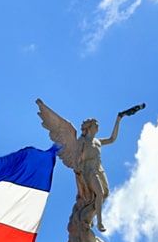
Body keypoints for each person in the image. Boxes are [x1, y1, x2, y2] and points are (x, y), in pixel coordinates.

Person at [37, 100, 144, 233]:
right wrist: (77, 166)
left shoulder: (97, 142)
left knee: (105, 194)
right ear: (90, 127)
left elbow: (112, 139)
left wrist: (118, 120)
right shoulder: (82, 140)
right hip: (88, 170)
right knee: (99, 193)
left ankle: (90, 217)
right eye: (96, 125)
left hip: (99, 169)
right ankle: (100, 222)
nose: (98, 127)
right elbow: (76, 155)